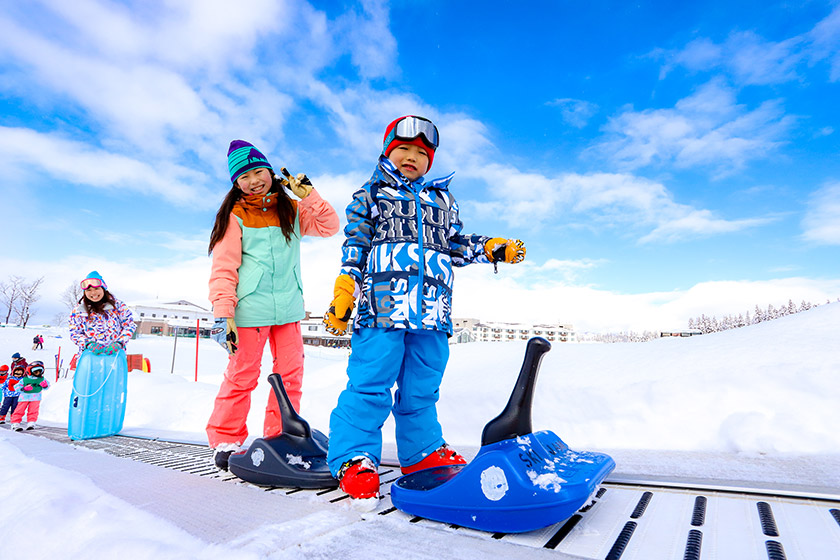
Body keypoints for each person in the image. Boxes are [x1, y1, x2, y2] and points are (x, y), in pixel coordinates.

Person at [322, 115, 526, 500]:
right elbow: (355, 245)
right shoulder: (372, 194)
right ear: (387, 152)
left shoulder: (443, 201)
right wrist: (345, 288)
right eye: (403, 149)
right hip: (382, 308)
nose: (412, 157)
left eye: (421, 152)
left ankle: (422, 453)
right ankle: (353, 457)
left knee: (422, 389)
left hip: (433, 312)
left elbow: (455, 244)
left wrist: (489, 247)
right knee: (370, 384)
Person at [206, 140, 340, 470]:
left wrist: (307, 195)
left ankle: (280, 434)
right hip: (249, 312)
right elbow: (224, 269)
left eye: (258, 171)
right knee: (242, 376)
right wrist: (224, 314)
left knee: (291, 376)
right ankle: (226, 437)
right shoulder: (236, 216)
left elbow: (330, 226)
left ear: (270, 171)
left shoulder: (291, 210)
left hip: (289, 311)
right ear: (236, 183)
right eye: (244, 176)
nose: (254, 180)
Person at [68, 271, 137, 356]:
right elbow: (74, 332)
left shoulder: (117, 306)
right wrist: (87, 343)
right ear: (85, 293)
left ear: (103, 289)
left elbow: (129, 325)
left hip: (115, 357)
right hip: (89, 358)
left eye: (96, 289)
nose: (93, 293)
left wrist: (119, 342)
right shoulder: (79, 311)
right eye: (89, 290)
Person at [10, 360, 50, 431]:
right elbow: (16, 387)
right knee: (19, 410)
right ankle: (15, 423)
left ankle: (31, 422)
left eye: (39, 371)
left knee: (33, 411)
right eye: (35, 371)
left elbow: (47, 386)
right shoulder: (25, 379)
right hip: (24, 398)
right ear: (30, 371)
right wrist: (23, 388)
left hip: (36, 398)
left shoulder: (41, 379)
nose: (38, 373)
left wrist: (45, 385)